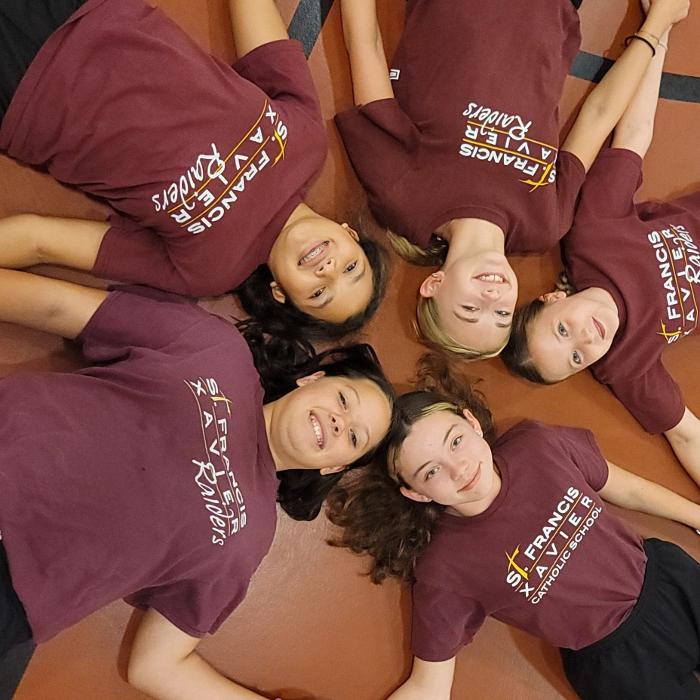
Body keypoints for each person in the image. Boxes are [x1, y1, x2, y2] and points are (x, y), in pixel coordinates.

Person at [0, 269, 394, 699]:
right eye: (344, 400)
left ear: (333, 468)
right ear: (312, 379)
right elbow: (57, 308)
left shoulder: (250, 538)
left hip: (15, 593)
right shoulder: (215, 347)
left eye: (354, 438)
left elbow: (155, 665)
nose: (339, 422)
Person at [0, 0, 388, 345]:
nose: (328, 271)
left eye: (319, 294)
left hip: (22, 97)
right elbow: (257, 23)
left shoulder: (209, 273)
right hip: (90, 13)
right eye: (351, 268)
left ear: (280, 294)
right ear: (349, 234)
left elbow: (41, 240)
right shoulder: (308, 145)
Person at [327, 358, 700, 699]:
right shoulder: (444, 570)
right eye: (431, 471)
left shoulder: (537, 444)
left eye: (455, 441)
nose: (458, 468)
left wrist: (697, 516)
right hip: (616, 661)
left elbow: (628, 489)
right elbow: (429, 686)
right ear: (416, 493)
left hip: (669, 581)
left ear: (471, 422)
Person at [334, 0, 689, 358]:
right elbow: (599, 115)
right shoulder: (544, 226)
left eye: (470, 309)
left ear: (434, 285)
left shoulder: (404, 201)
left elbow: (366, 46)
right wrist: (657, 24)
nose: (492, 297)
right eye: (502, 314)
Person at [501, 11, 700, 489]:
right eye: (576, 358)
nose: (585, 340)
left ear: (555, 297)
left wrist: (660, 28)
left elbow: (633, 137)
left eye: (562, 329)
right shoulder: (626, 365)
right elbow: (687, 434)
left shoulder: (593, 236)